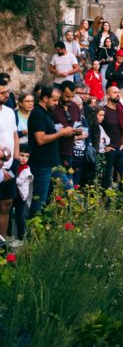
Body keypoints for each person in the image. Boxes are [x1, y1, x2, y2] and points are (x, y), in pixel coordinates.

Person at [28, 84, 76, 216]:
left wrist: (66, 132)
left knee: (70, 192)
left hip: (53, 162)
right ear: (45, 98)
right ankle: (33, 227)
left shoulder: (47, 112)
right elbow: (40, 139)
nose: (56, 103)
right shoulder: (37, 114)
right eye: (54, 100)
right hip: (42, 164)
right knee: (40, 200)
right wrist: (61, 133)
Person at [52, 81, 83, 187]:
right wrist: (62, 132)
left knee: (68, 181)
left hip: (69, 151)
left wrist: (77, 131)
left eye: (72, 96)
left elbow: (79, 125)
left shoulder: (75, 106)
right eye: (67, 96)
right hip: (54, 150)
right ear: (60, 93)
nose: (70, 99)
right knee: (57, 184)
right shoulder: (53, 106)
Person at [0, 76, 19, 240]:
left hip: (11, 164)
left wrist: (17, 158)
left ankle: (3, 240)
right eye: (2, 93)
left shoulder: (9, 112)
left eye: (7, 91)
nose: (7, 95)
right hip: (0, 166)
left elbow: (14, 135)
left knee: (6, 204)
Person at [100, 84, 123, 188]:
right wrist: (104, 147)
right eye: (114, 92)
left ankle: (122, 197)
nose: (117, 94)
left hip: (120, 149)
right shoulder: (103, 111)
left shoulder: (121, 110)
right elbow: (97, 130)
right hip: (108, 150)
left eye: (118, 92)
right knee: (106, 179)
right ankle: (104, 198)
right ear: (108, 95)